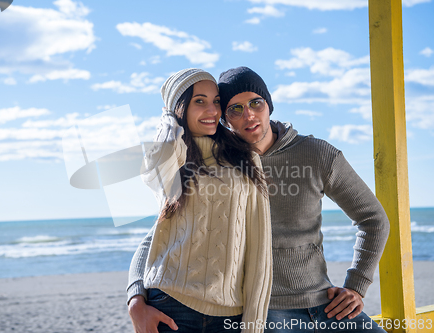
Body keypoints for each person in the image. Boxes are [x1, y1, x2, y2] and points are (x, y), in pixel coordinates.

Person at [127, 67, 390, 333]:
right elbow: (162, 234)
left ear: (269, 105)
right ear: (225, 119)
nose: (249, 115)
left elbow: (373, 219)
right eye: (235, 109)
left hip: (325, 301)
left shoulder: (317, 154)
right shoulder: (218, 162)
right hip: (266, 310)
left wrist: (356, 285)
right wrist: (136, 295)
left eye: (256, 103)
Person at [128, 68, 272, 333]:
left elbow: (258, 250)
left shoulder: (246, 158)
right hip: (170, 306)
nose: (212, 110)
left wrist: (253, 327)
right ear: (179, 108)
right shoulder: (172, 155)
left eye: (216, 101)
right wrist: (170, 120)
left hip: (230, 316)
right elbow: (156, 177)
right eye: (199, 101)